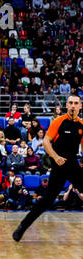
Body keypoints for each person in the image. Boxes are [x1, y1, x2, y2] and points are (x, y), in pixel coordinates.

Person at [13, 94, 83, 241]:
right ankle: (22, 227)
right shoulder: (58, 122)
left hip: (73, 164)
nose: (72, 105)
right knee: (47, 200)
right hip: (58, 166)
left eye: (76, 103)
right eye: (70, 103)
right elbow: (46, 142)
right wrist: (56, 157)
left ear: (80, 106)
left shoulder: (81, 125)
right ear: (67, 106)